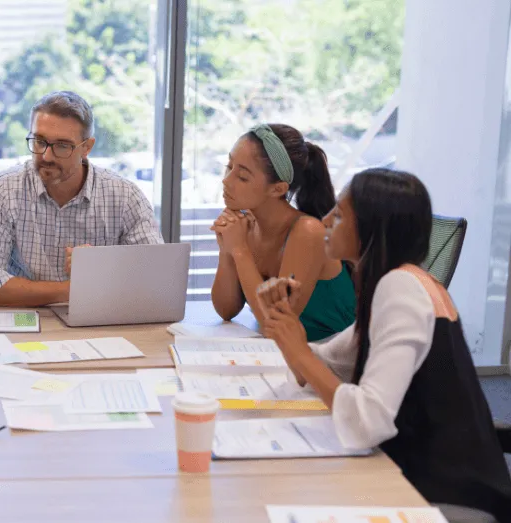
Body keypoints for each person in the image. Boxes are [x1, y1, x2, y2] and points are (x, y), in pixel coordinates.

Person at [258, 169, 511, 520]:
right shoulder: (397, 283)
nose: (327, 218)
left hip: (447, 495)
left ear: (372, 229)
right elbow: (327, 365)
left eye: (341, 214)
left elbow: (368, 419)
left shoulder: (400, 289)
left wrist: (299, 351)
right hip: (417, 475)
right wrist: (286, 327)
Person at [0, 91, 163, 307]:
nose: (46, 156)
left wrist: (106, 268)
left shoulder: (126, 197)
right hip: (25, 321)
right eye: (39, 141)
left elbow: (157, 280)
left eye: (62, 146)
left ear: (87, 147)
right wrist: (75, 289)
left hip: (99, 319)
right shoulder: (3, 189)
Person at [211, 123, 354, 341]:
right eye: (229, 167)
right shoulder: (246, 226)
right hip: (282, 356)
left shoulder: (307, 231)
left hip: (333, 360)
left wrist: (239, 250)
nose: (226, 180)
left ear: (278, 189)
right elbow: (226, 309)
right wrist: (227, 250)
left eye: (242, 176)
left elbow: (275, 324)